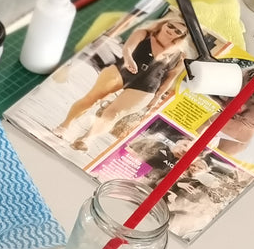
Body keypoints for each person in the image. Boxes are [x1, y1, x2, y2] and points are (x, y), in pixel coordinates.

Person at [54, 16, 191, 152]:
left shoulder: (180, 55)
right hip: (123, 70)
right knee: (92, 99)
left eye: (178, 31)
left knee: (113, 114)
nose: (172, 31)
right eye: (170, 26)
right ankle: (64, 126)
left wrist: (157, 97)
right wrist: (129, 59)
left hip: (147, 85)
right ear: (164, 23)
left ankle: (85, 139)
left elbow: (170, 78)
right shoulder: (144, 34)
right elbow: (128, 48)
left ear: (182, 36)